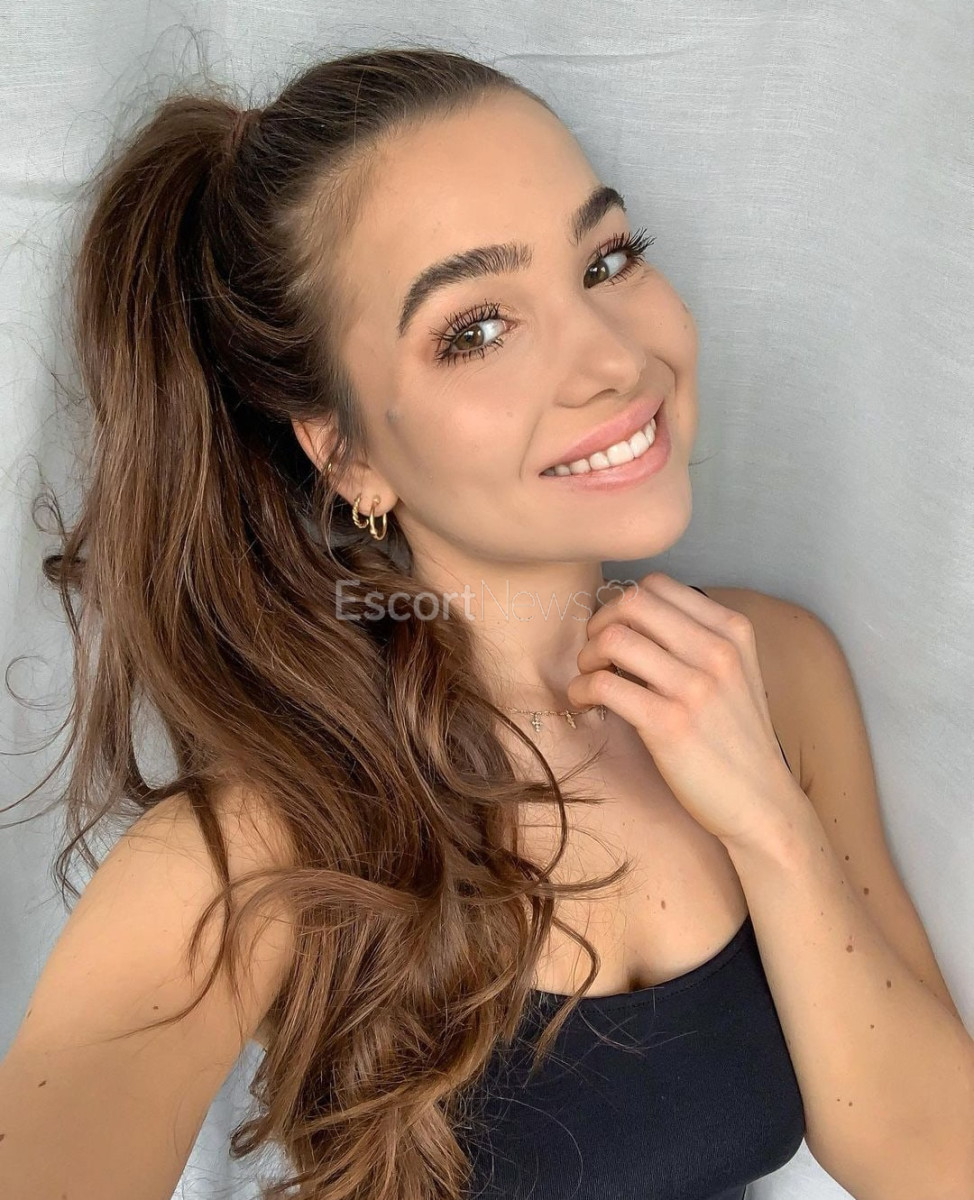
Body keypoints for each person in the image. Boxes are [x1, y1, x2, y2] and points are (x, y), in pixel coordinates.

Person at [1, 44, 967, 1200]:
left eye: (605, 260)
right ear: (346, 452)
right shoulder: (260, 841)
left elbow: (935, 1165)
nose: (614, 359)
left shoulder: (772, 669)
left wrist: (770, 825)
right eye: (476, 330)